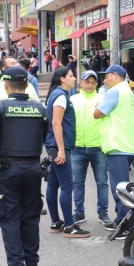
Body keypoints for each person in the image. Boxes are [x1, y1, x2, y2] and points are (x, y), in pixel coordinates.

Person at [0, 66, 49, 266]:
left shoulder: (0, 108)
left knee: (9, 217)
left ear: (5, 85)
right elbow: (44, 136)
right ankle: (31, 263)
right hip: (33, 169)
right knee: (30, 216)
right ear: (27, 84)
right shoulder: (40, 109)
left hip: (8, 171)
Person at [93, 65, 134, 236]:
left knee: (119, 188)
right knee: (123, 186)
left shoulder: (115, 92)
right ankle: (122, 221)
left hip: (117, 144)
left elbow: (97, 113)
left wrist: (98, 104)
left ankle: (125, 224)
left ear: (115, 75)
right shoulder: (128, 92)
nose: (104, 81)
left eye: (106, 77)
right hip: (127, 144)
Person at [44, 67, 90, 238]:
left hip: (51, 146)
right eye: (71, 76)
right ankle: (69, 226)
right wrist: (61, 150)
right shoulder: (61, 96)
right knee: (67, 186)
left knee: (53, 185)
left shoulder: (55, 94)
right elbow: (56, 123)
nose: (74, 78)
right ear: (62, 79)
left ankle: (56, 223)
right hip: (57, 147)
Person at [70, 70, 112, 226]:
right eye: (87, 81)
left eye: (93, 82)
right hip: (77, 147)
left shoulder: (103, 99)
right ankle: (79, 213)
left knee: (102, 182)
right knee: (77, 183)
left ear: (97, 84)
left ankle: (103, 212)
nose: (90, 84)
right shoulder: (72, 100)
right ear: (81, 83)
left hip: (98, 146)